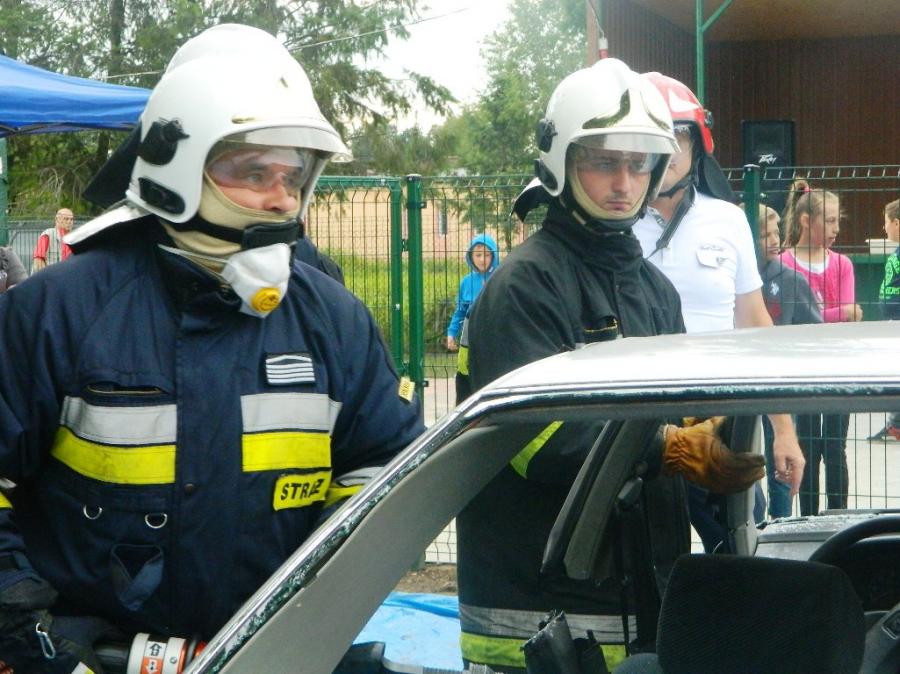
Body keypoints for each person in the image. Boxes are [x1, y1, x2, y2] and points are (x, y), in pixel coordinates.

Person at [0, 24, 424, 674]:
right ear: (177, 167)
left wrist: (315, 613)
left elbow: (383, 477)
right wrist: (29, 632)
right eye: (254, 172)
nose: (281, 198)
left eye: (293, 175)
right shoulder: (57, 312)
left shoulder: (335, 320)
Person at [457, 58, 765, 673]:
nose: (624, 182)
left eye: (638, 163)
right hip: (538, 619)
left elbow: (677, 411)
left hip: (637, 601)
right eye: (602, 162)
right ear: (561, 162)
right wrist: (668, 447)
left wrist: (715, 436)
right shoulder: (526, 285)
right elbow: (538, 440)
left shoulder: (652, 289)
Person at [632, 72, 804, 549]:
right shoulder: (612, 226)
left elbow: (755, 325)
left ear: (698, 145)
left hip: (718, 421)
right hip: (634, 423)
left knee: (742, 554)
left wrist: (783, 430)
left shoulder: (728, 219)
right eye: (651, 138)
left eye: (678, 137)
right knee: (642, 562)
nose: (667, 152)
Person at [779, 178, 858, 514]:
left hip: (840, 367)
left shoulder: (842, 264)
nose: (836, 229)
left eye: (838, 221)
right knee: (808, 445)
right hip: (804, 369)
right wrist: (838, 313)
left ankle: (838, 515)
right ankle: (808, 516)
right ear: (805, 220)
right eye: (829, 221)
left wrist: (820, 315)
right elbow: (846, 312)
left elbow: (850, 316)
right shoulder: (784, 264)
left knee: (835, 447)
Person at [749, 202, 822, 518]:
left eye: (776, 232)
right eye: (764, 235)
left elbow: (813, 328)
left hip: (778, 380)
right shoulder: (733, 277)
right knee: (742, 457)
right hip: (741, 380)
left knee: (780, 456)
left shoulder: (791, 279)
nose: (774, 240)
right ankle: (751, 516)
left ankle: (781, 520)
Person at [446, 233, 499, 403]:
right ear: (471, 256)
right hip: (469, 339)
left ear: (494, 256)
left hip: (494, 339)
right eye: (478, 255)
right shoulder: (466, 282)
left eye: (487, 255)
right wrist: (451, 333)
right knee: (466, 378)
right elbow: (460, 311)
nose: (482, 259)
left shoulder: (500, 277)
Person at [870, 199, 900, 440]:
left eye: (886, 222)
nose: (884, 227)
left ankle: (896, 422)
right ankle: (896, 421)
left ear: (897, 223)